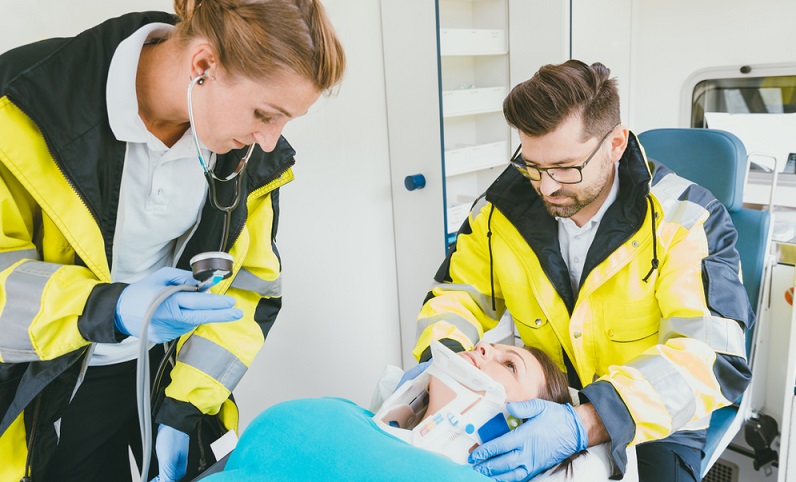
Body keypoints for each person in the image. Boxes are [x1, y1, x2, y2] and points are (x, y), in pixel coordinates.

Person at [0, 1, 345, 481]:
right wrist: (110, 308)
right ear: (203, 65)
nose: (270, 142)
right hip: (32, 389)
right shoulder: (19, 104)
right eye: (265, 114)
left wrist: (185, 409)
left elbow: (248, 289)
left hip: (157, 382)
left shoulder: (244, 159)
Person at [409, 60, 752, 481]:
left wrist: (588, 421)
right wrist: (439, 362)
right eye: (532, 166)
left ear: (616, 144)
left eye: (566, 168)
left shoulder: (686, 218)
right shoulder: (501, 211)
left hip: (655, 417)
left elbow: (713, 356)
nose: (546, 187)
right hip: (549, 401)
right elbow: (456, 294)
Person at [198, 342, 637, 481]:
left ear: (523, 422)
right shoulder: (344, 413)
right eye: (487, 344)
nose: (482, 346)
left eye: (508, 364)